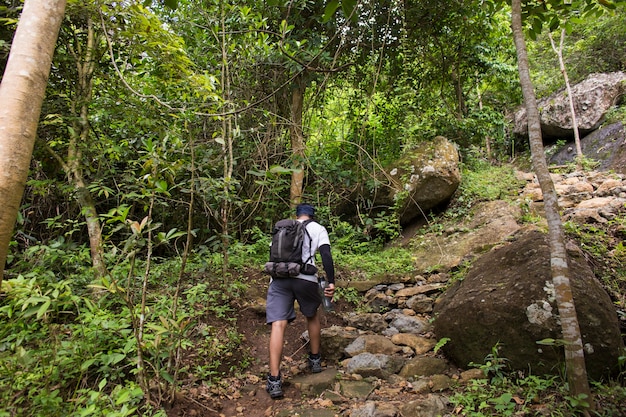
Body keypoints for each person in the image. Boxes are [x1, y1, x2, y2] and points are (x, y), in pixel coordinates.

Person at [265, 203, 336, 399]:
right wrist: (331, 282)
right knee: (312, 316)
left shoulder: (283, 228)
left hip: (279, 279)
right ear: (312, 216)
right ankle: (314, 361)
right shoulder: (318, 228)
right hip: (306, 279)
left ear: (297, 215)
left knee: (278, 325)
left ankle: (274, 380)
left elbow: (273, 255)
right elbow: (326, 255)